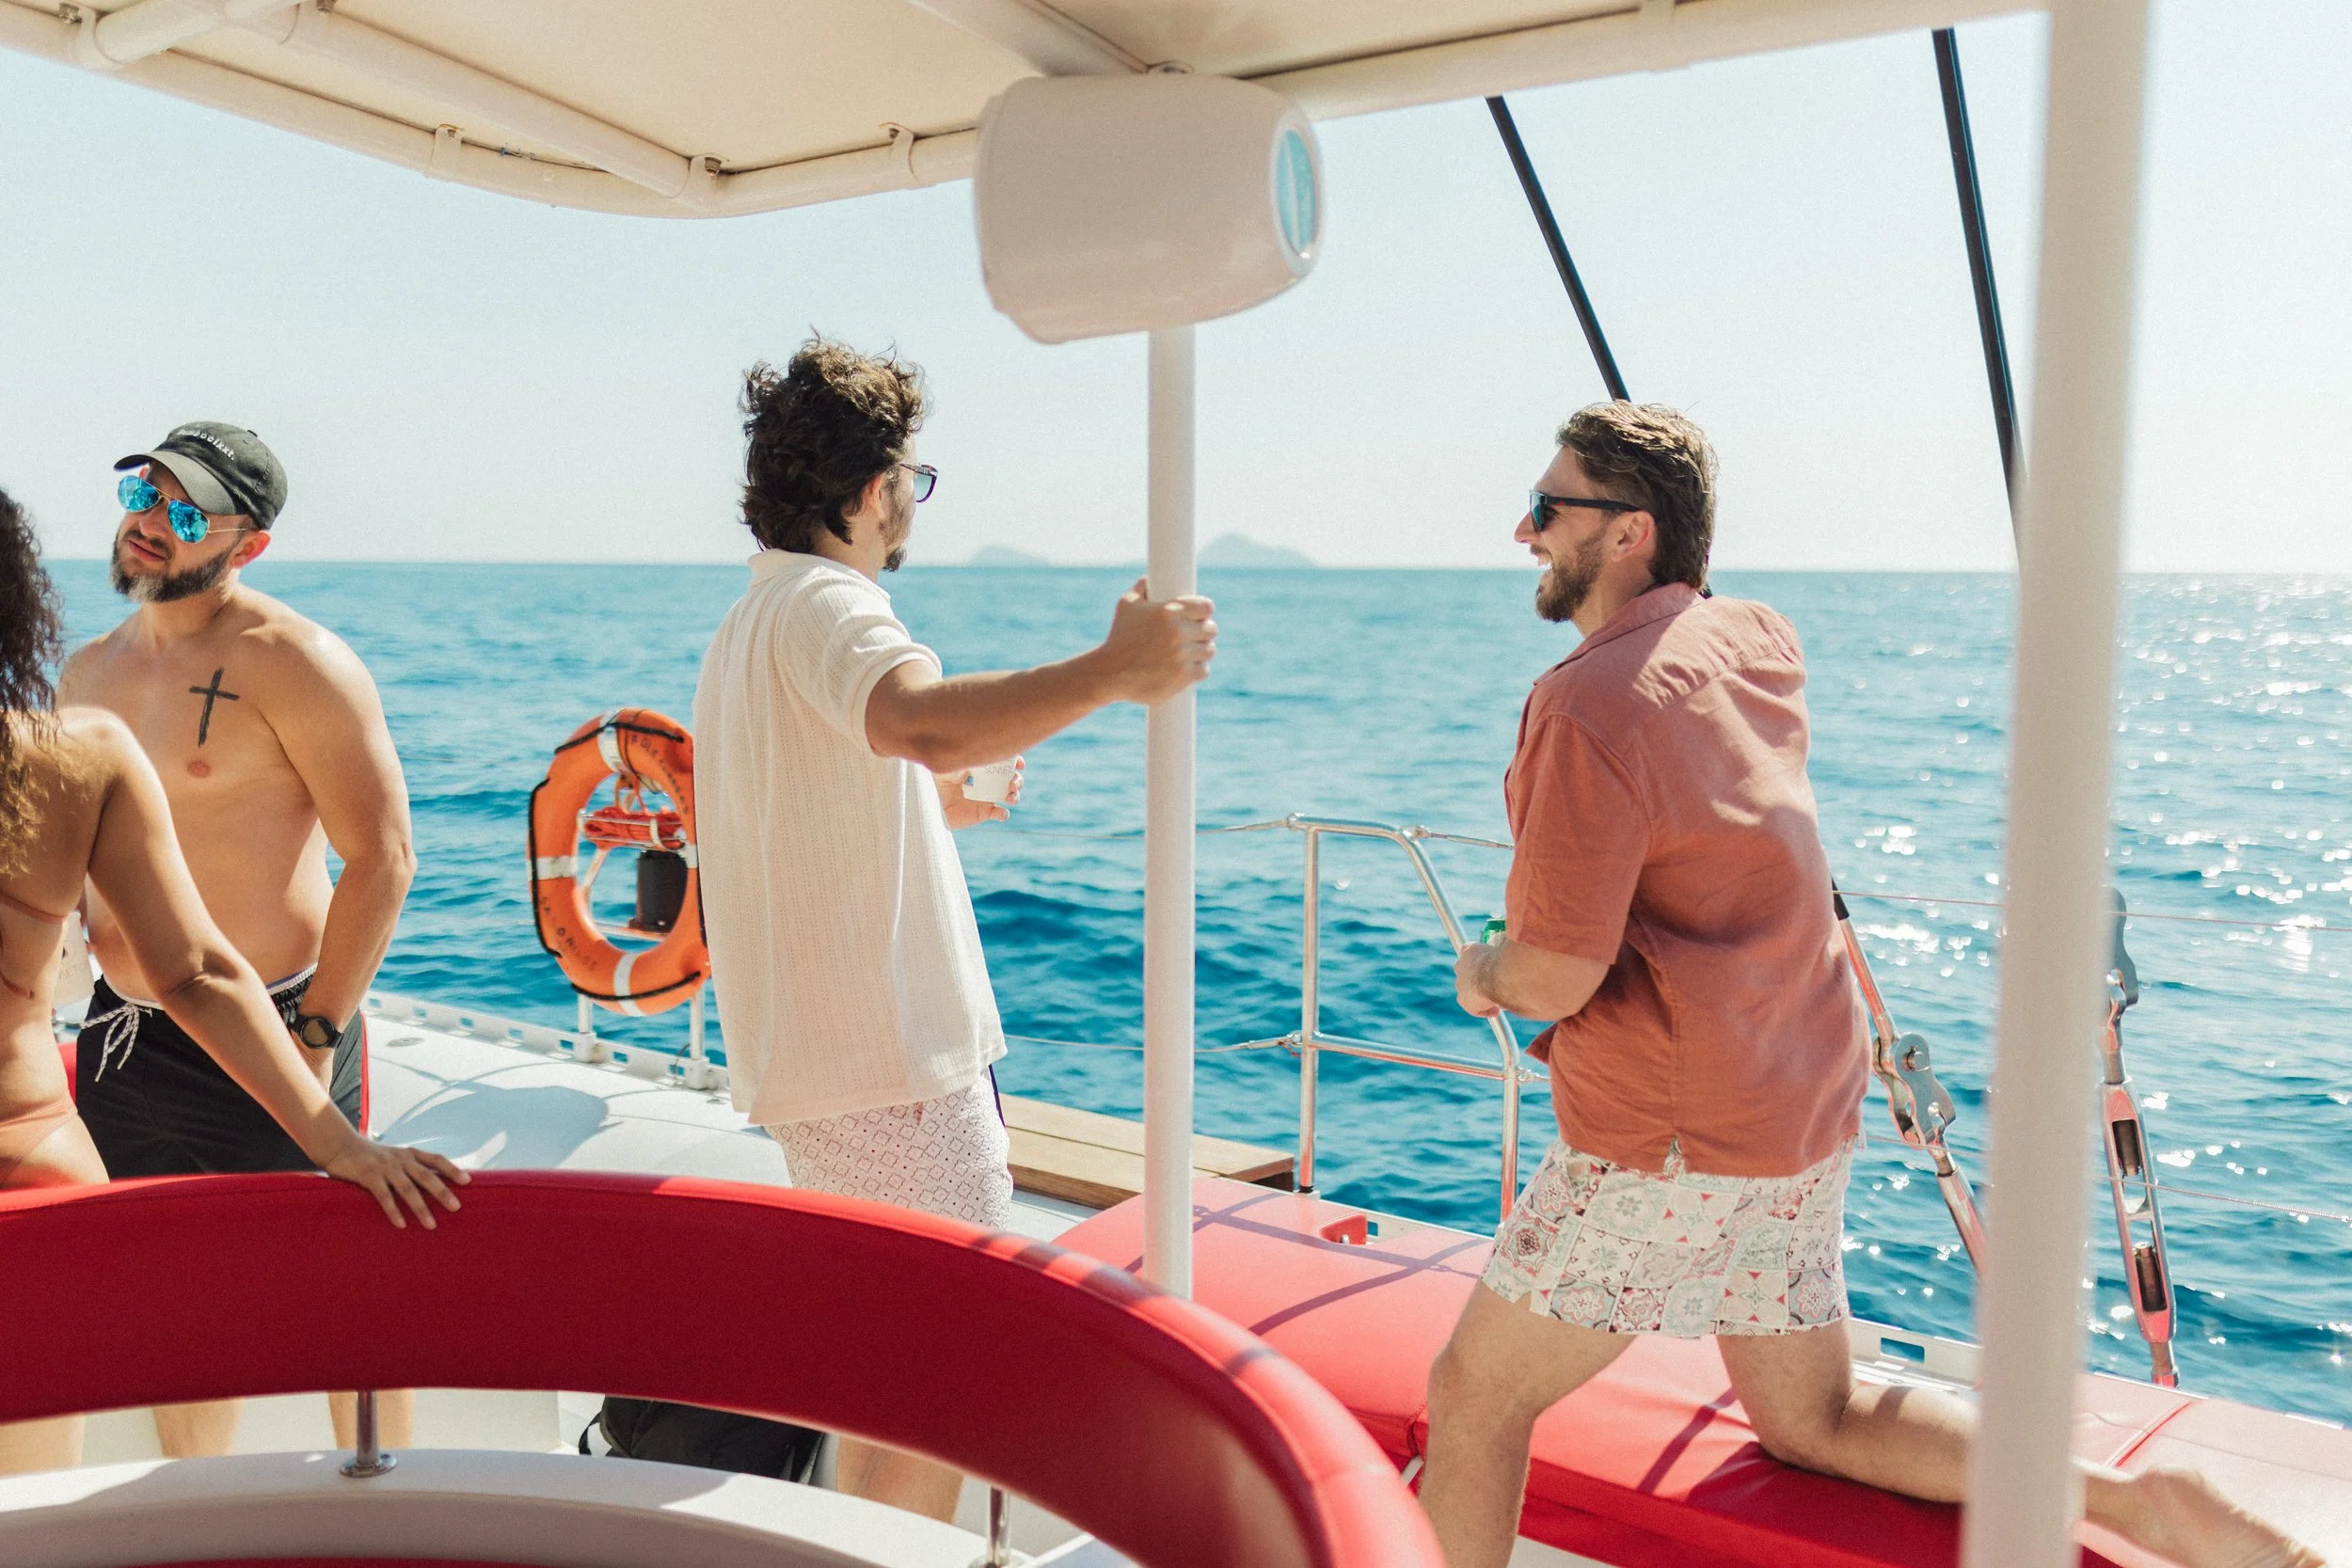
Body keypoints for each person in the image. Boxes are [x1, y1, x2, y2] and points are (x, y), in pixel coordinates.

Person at [1420, 404, 2320, 1568]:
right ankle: (2134, 1500)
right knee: (1815, 1417)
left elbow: (1555, 969)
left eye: (1548, 507)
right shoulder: (1757, 639)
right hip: (1800, 1098)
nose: (1523, 531)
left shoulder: (1581, 704)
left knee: (1475, 1394)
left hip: (1672, 1137)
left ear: (1630, 530)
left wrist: (1484, 971)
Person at [693, 339, 1216, 1522]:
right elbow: (919, 719)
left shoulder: (752, 621)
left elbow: (806, 801)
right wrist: (1116, 668)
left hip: (825, 1072)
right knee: (939, 1380)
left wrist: (930, 803)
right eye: (911, 482)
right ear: (871, 488)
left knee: (886, 1378)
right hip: (893, 1075)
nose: (910, 507)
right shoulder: (831, 603)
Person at [0, 485, 465, 1478]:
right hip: (124, 1034)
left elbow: (383, 856)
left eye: (185, 512)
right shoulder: (88, 676)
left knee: (338, 1281)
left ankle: (387, 1492)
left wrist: (320, 1030)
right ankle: (190, 1494)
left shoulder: (300, 660)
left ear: (248, 544)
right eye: (142, 493)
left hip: (279, 1021)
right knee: (168, 1297)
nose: (149, 520)